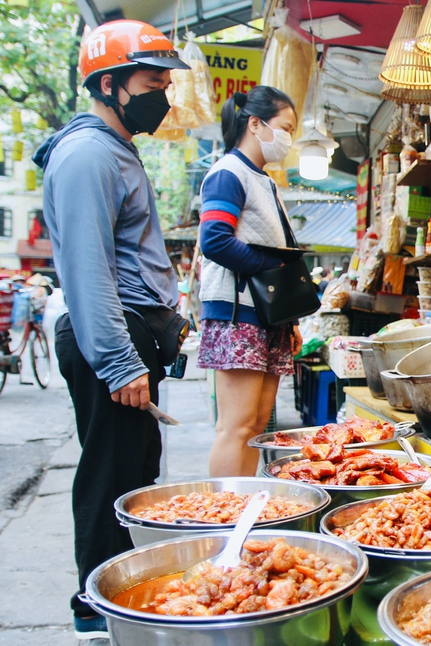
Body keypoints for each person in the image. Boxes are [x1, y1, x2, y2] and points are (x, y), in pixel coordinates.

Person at [32, 20, 190, 640]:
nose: (163, 96)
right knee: (110, 474)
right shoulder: (88, 154)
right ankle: (95, 611)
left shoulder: (116, 149)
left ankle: (122, 597)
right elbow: (86, 270)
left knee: (133, 472)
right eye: (152, 82)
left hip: (129, 332)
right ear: (109, 84)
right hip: (111, 333)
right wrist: (119, 361)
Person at [197, 86, 302, 477]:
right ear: (255, 124)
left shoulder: (265, 181)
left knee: (257, 427)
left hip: (266, 316)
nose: (288, 138)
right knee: (236, 426)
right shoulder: (228, 173)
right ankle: (224, 518)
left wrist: (289, 320)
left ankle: (245, 514)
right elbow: (215, 241)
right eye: (285, 127)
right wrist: (269, 266)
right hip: (237, 315)